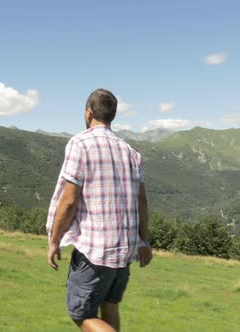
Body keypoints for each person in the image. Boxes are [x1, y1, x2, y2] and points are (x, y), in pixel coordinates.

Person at [46, 88, 152, 332]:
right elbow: (142, 202)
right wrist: (144, 241)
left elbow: (69, 200)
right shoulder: (131, 152)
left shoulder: (80, 144)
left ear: (88, 112)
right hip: (124, 250)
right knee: (110, 306)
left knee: (80, 313)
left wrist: (54, 240)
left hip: (96, 251)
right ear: (112, 115)